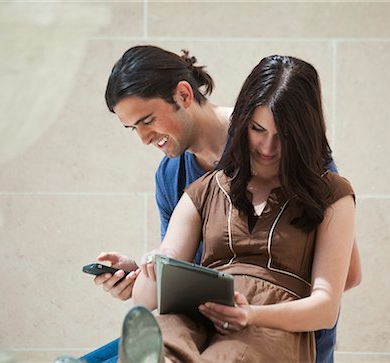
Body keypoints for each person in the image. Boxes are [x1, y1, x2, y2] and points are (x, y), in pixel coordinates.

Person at [60, 46, 361, 363]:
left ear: (184, 94)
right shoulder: (181, 181)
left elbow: (345, 275)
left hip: (277, 329)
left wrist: (257, 310)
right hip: (204, 316)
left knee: (229, 353)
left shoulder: (309, 165)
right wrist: (146, 271)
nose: (144, 139)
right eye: (133, 127)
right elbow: (174, 261)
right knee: (162, 337)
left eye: (147, 121)